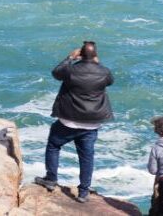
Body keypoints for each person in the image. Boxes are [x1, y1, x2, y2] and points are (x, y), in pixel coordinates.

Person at [34, 41, 114, 204]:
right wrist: (95, 62)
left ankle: (51, 179)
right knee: (87, 156)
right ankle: (83, 192)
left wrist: (70, 57)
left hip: (68, 121)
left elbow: (56, 73)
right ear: (95, 56)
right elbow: (109, 80)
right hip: (91, 123)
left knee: (54, 146)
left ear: (80, 55)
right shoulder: (104, 72)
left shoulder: (71, 70)